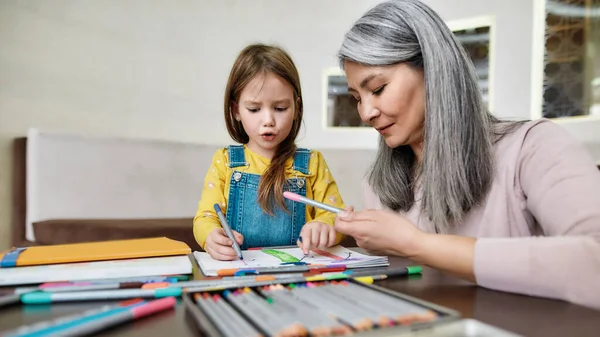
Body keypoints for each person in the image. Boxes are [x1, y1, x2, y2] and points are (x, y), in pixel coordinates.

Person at [334, 0, 600, 310]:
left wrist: (417, 245)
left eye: (378, 89)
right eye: (356, 98)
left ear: (432, 69)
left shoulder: (533, 147)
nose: (366, 112)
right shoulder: (378, 185)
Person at [193, 43, 345, 260]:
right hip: (242, 273)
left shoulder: (312, 163)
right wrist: (210, 236)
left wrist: (324, 225)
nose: (268, 121)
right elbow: (206, 216)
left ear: (296, 108)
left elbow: (335, 215)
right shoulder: (225, 162)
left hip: (298, 275)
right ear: (236, 110)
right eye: (254, 109)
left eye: (280, 108)